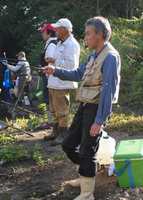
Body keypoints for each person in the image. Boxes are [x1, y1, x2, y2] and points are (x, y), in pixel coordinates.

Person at [42, 16, 121, 200]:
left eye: (87, 34)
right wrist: (55, 70)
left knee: (87, 151)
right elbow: (78, 74)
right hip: (85, 106)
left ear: (99, 34)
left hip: (95, 111)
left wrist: (99, 121)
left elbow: (108, 92)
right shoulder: (94, 55)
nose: (85, 38)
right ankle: (85, 175)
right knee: (68, 144)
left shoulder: (110, 57)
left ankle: (87, 193)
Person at [43, 18, 80, 146]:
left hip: (62, 83)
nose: (55, 31)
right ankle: (55, 132)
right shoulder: (60, 42)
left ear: (65, 30)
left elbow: (71, 66)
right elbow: (58, 62)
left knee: (61, 110)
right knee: (54, 109)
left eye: (57, 29)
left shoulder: (71, 44)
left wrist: (53, 62)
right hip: (54, 82)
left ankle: (63, 134)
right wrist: (50, 68)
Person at [37, 24, 58, 129]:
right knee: (49, 98)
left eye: (43, 32)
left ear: (49, 33)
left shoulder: (51, 45)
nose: (42, 34)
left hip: (49, 76)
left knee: (47, 98)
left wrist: (47, 73)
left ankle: (50, 121)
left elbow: (51, 61)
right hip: (49, 75)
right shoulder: (51, 43)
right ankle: (52, 120)